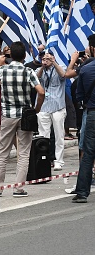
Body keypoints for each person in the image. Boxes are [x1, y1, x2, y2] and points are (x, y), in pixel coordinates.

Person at [0, 41, 45, 197]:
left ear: (10, 55)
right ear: (24, 56)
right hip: (25, 114)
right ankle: (18, 188)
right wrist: (36, 109)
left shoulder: (3, 71)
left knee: (2, 151)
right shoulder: (28, 72)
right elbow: (40, 92)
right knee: (23, 151)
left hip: (7, 114)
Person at [71, 35, 95, 203]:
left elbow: (78, 95)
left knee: (88, 154)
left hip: (92, 113)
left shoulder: (85, 70)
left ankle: (82, 192)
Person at [35, 52, 67, 171]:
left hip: (57, 105)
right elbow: (36, 78)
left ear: (53, 58)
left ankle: (58, 160)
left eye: (48, 58)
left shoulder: (60, 67)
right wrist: (43, 67)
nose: (46, 60)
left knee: (59, 135)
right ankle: (45, 159)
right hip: (43, 106)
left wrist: (54, 62)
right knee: (43, 135)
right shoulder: (40, 69)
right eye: (44, 59)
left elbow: (63, 75)